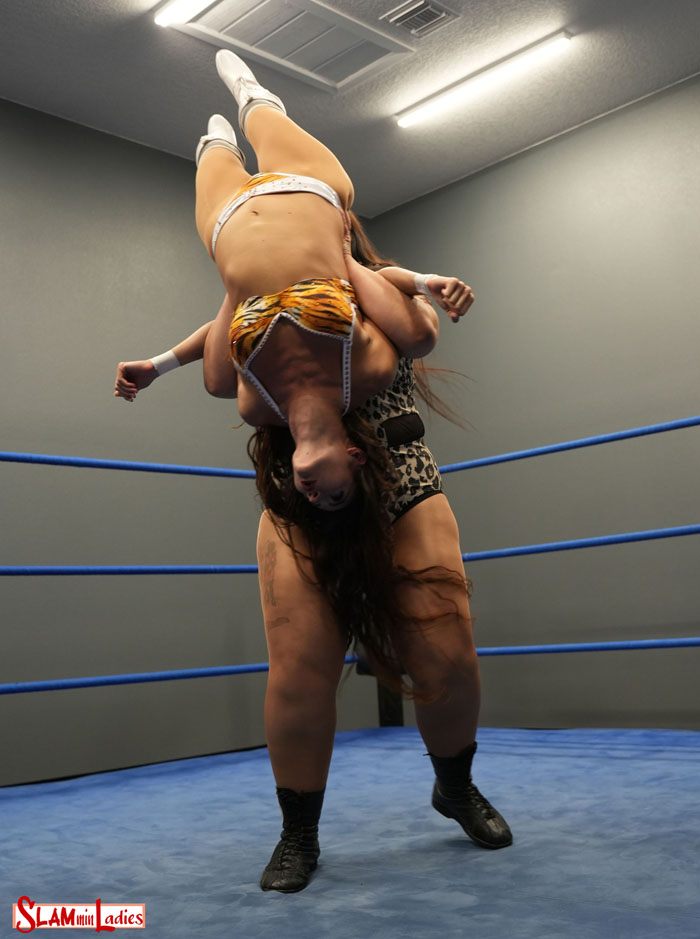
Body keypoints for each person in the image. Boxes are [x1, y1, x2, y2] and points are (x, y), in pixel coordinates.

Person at [114, 52, 512, 893]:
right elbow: (229, 328)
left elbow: (416, 329)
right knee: (299, 668)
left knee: (446, 650)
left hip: (398, 474)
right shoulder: (266, 312)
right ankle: (299, 831)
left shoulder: (368, 292)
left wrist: (376, 270)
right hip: (295, 498)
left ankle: (456, 785)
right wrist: (161, 360)